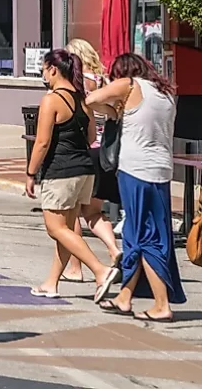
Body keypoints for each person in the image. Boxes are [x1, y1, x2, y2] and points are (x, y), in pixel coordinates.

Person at [87, 53, 186, 322]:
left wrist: (113, 110)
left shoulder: (128, 85)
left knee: (143, 235)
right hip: (161, 170)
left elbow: (91, 100)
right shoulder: (164, 93)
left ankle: (161, 305)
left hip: (135, 170)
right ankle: (125, 297)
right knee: (139, 231)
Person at [24, 49, 121, 301]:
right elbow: (91, 137)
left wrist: (30, 173)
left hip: (61, 171)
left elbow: (42, 142)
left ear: (53, 69)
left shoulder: (51, 100)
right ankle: (51, 283)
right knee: (66, 229)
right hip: (85, 170)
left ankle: (101, 270)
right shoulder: (81, 98)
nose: (44, 74)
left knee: (55, 229)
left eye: (44, 69)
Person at [59, 37, 121, 282]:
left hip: (86, 151)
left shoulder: (78, 83)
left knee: (72, 213)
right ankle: (114, 249)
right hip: (105, 152)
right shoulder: (104, 81)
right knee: (94, 211)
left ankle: (76, 268)